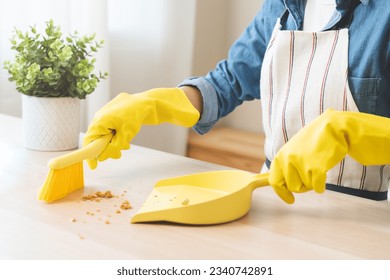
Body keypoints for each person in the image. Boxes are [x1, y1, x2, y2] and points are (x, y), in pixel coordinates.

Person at [83, 0, 390, 203]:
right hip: (272, 196)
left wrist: (348, 131)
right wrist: (156, 103)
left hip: (359, 213)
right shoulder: (281, 5)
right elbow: (228, 82)